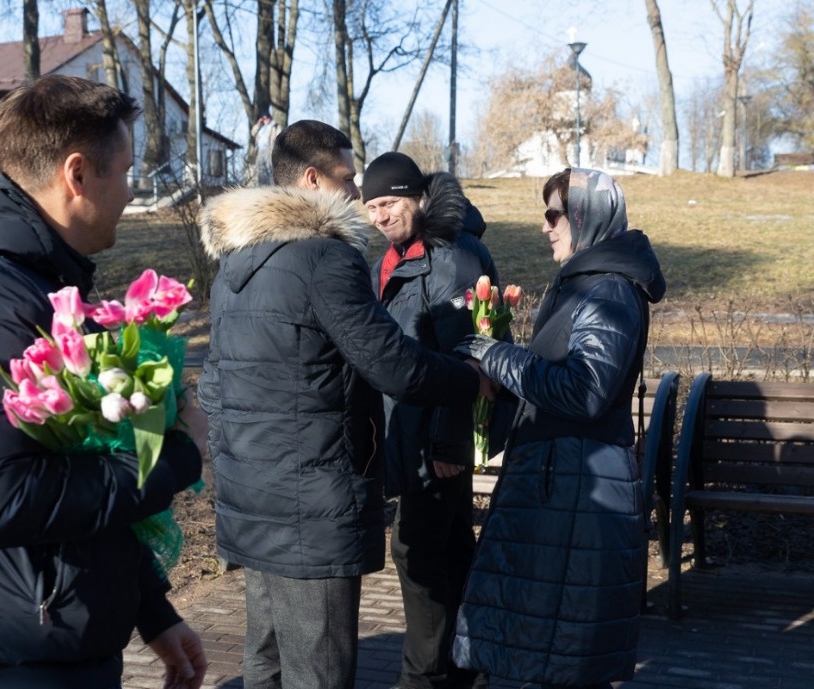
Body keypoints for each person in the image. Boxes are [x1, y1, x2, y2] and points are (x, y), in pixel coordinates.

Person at [0, 75, 209, 689]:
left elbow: (75, 465)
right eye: (126, 171)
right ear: (77, 174)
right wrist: (175, 456)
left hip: (46, 638)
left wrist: (151, 610)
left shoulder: (27, 284)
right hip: (4, 658)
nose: (130, 190)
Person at [196, 120, 488, 689]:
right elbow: (392, 365)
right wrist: (470, 379)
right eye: (348, 179)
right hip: (310, 502)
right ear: (312, 179)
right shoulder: (324, 258)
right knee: (319, 670)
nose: (356, 194)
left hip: (249, 496)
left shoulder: (233, 263)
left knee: (265, 662)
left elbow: (213, 384)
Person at [451, 168, 667, 689]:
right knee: (547, 650)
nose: (545, 226)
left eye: (554, 215)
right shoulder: (583, 281)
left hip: (579, 489)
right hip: (560, 484)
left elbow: (584, 390)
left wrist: (496, 357)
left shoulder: (609, 289)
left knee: (566, 658)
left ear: (586, 217)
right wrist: (503, 378)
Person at [363, 151, 495, 689]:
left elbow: (471, 355)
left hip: (434, 437)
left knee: (416, 552)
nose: (380, 216)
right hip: (411, 430)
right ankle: (468, 670)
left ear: (417, 198)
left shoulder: (450, 256)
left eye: (389, 203)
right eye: (371, 206)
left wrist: (449, 442)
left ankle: (423, 679)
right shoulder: (398, 256)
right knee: (451, 550)